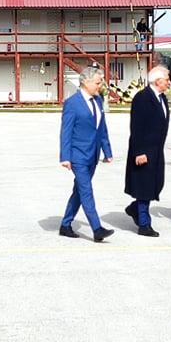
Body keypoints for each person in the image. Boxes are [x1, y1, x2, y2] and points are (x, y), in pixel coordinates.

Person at [58, 66, 114, 241]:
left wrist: (107, 151)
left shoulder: (97, 101)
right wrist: (65, 157)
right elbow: (65, 132)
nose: (100, 85)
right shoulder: (72, 103)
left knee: (79, 191)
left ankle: (65, 225)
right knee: (86, 190)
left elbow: (101, 128)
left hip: (93, 155)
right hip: (78, 156)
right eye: (98, 82)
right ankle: (97, 229)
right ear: (85, 82)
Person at [124, 66, 171, 237]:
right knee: (144, 187)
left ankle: (134, 208)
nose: (169, 82)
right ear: (158, 81)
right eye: (167, 79)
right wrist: (139, 152)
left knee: (156, 184)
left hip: (157, 150)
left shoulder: (162, 98)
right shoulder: (143, 98)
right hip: (144, 150)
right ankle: (144, 224)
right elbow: (136, 127)